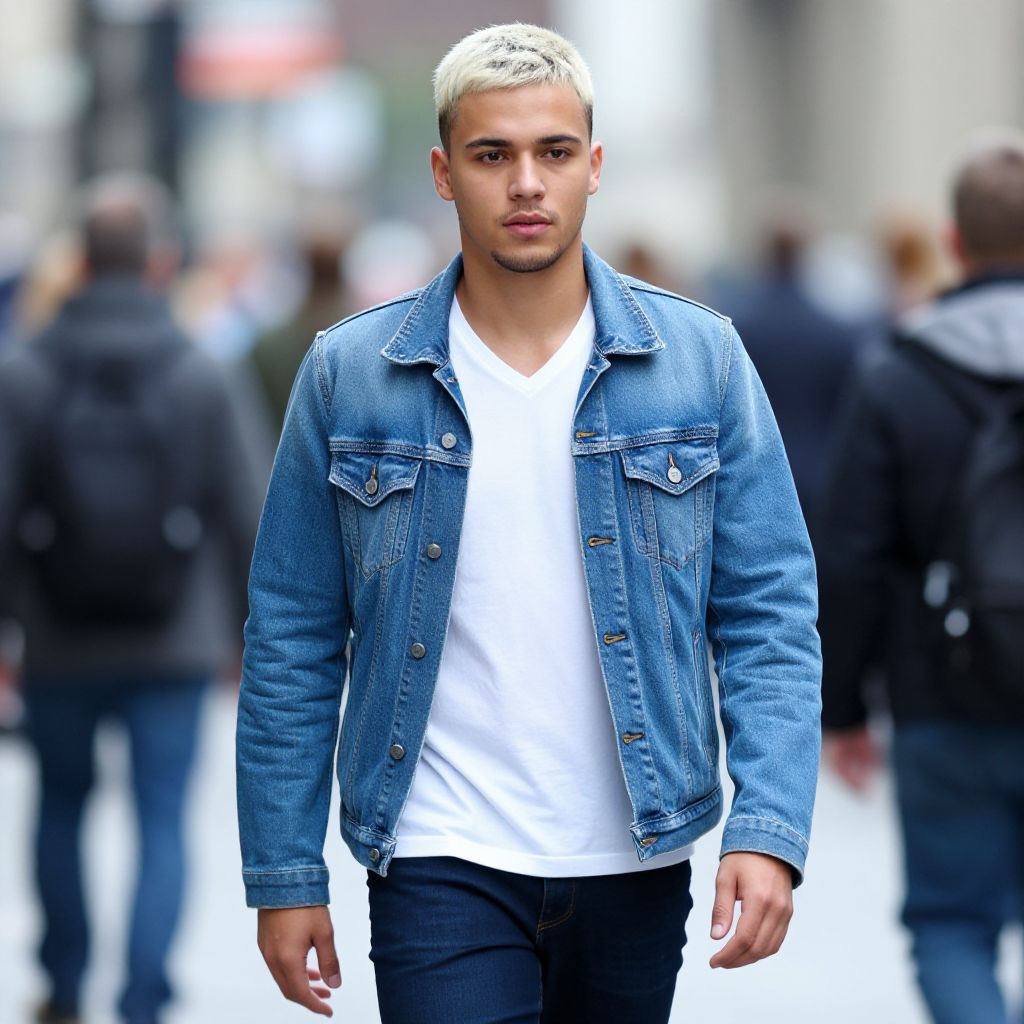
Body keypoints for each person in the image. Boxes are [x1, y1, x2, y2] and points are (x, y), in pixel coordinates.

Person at [237, 23, 821, 1024]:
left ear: (593, 166)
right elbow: (290, 635)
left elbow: (768, 609)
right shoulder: (351, 373)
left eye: (553, 152)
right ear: (441, 171)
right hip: (437, 850)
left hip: (634, 846)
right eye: (491, 154)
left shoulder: (701, 360)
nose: (524, 183)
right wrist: (284, 872)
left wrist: (767, 827)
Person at [0, 174, 261, 1024]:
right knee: (160, 819)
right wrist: (245, 632)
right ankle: (143, 997)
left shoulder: (26, 368)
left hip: (56, 632)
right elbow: (246, 509)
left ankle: (65, 983)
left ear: (78, 262)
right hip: (175, 637)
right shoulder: (200, 370)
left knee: (61, 807)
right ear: (159, 261)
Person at [820, 131, 1024, 1024]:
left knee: (950, 927)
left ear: (953, 241)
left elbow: (854, 556)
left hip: (945, 692)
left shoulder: (898, 376)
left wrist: (845, 709)